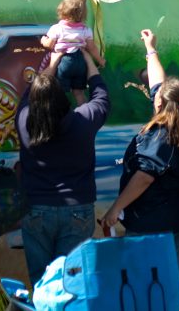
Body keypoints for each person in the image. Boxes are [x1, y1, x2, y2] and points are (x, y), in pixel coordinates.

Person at [102, 29, 179, 271]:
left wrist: (116, 207)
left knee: (149, 286)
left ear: (162, 104)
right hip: (178, 222)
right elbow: (158, 84)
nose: (152, 98)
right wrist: (150, 49)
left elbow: (144, 177)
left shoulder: (161, 134)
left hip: (151, 226)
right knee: (170, 284)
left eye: (156, 99)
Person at [16, 49, 110, 286]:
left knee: (41, 282)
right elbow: (101, 97)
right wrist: (89, 62)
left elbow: (30, 94)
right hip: (77, 209)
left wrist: (53, 61)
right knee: (73, 283)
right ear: (62, 97)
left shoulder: (24, 120)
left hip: (35, 209)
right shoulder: (82, 121)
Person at [40, 0, 105, 105]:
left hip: (64, 61)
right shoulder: (85, 30)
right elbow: (91, 47)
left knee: (60, 92)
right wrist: (100, 60)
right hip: (80, 62)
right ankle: (85, 114)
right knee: (79, 92)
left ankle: (62, 116)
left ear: (62, 9)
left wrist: (43, 40)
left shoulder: (57, 28)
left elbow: (49, 45)